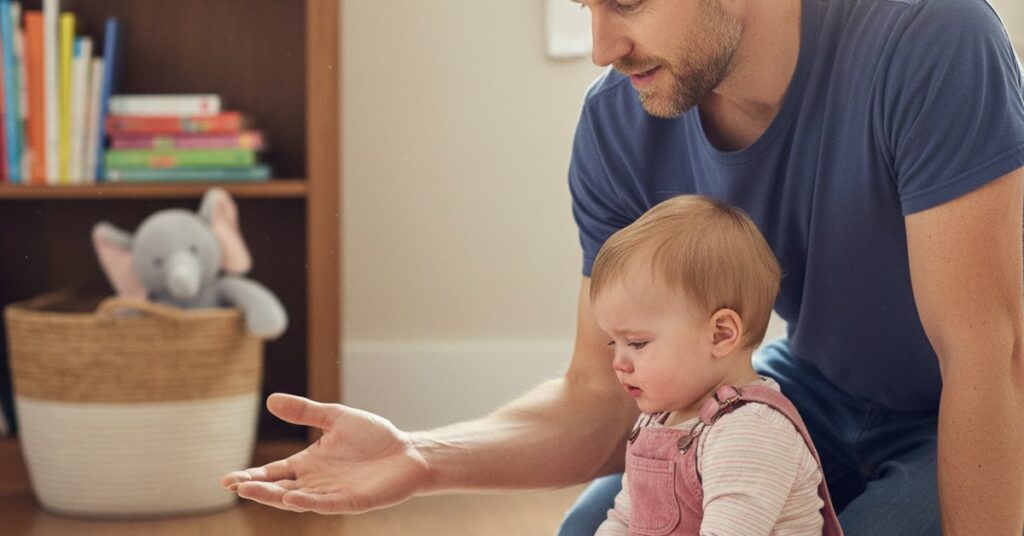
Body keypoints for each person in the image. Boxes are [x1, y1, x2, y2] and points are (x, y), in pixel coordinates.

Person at [221, 0, 1024, 533]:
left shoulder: (928, 35)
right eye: (586, 5)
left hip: (972, 398)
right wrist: (422, 456)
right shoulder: (621, 123)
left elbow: (989, 355)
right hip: (808, 384)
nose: (603, 46)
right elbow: (601, 395)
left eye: (628, 0)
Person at [588, 195, 842, 535]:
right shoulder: (660, 418)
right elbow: (624, 520)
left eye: (636, 343)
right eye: (613, 342)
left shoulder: (751, 431)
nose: (619, 362)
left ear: (721, 334)